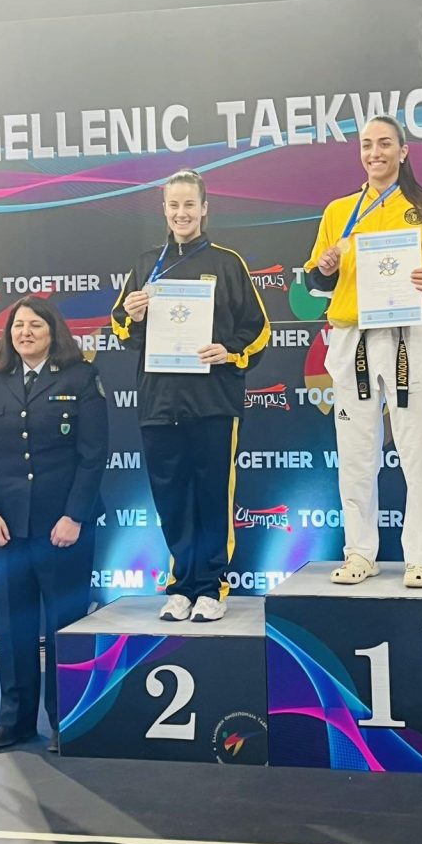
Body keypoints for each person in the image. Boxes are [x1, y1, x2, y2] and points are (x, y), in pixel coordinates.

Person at [304, 115, 422, 589]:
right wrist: (326, 268)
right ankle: (360, 552)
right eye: (366, 145)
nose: (374, 153)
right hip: (352, 337)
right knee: (356, 453)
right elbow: (314, 283)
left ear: (403, 151)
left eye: (384, 144)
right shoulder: (339, 211)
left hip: (406, 335)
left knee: (419, 448)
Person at [112, 169, 269, 623]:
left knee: (212, 496)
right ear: (164, 210)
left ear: (204, 209)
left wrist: (230, 351)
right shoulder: (146, 265)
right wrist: (131, 313)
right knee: (171, 499)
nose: (181, 213)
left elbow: (258, 330)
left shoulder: (228, 263)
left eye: (189, 205)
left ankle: (212, 587)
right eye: (173, 205)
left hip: (213, 401)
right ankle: (181, 586)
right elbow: (121, 330)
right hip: (159, 404)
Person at [0, 296, 108, 752]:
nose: (24, 333)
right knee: (12, 625)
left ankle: (65, 722)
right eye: (18, 326)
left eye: (35, 326)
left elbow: (93, 454)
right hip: (5, 529)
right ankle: (16, 721)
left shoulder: (80, 377)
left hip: (63, 529)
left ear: (53, 331)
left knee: (64, 624)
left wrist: (74, 516)